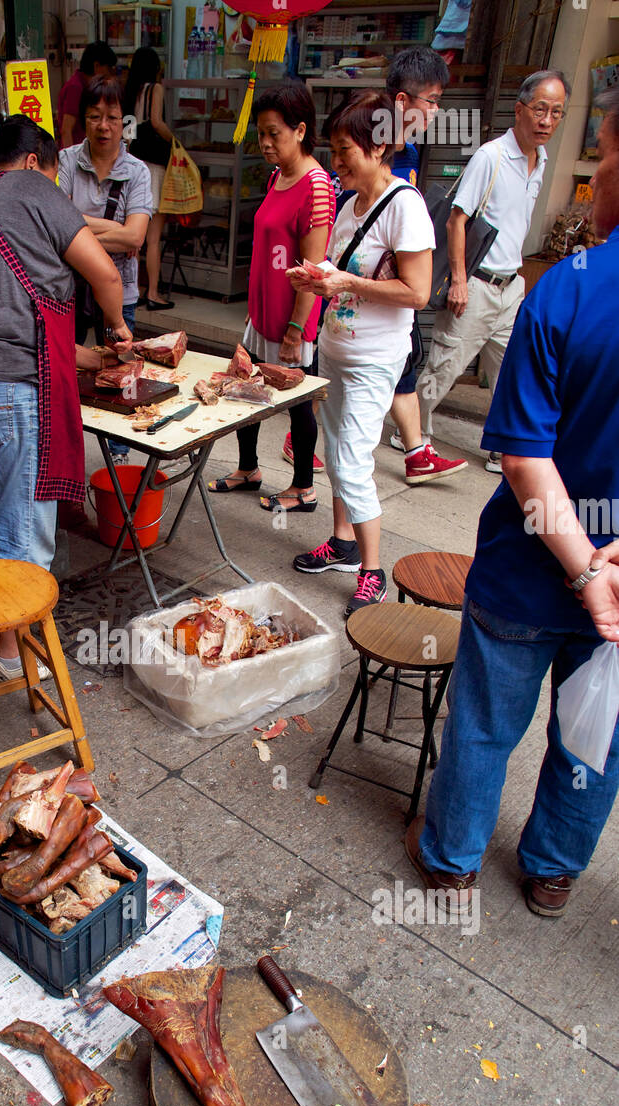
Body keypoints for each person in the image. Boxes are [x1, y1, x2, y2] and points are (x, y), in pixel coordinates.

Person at [405, 85, 619, 921]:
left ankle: (452, 857)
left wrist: (582, 569)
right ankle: (553, 867)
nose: (593, 175)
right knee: (589, 742)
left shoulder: (564, 291)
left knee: (484, 727)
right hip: (611, 594)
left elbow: (526, 460)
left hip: (528, 575)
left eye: (600, 156)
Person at [0, 115, 131, 682]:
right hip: (5, 396)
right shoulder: (31, 189)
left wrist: (84, 357)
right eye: (53, 176)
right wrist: (117, 331)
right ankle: (6, 658)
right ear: (33, 163)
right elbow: (107, 276)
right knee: (22, 536)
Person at [289, 91, 435, 615]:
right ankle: (342, 542)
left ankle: (372, 570)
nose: (336, 161)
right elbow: (346, 277)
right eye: (333, 149)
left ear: (378, 148)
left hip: (376, 358)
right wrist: (317, 278)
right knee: (336, 452)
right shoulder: (350, 207)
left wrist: (346, 279)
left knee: (351, 462)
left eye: (345, 149)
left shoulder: (406, 207)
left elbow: (418, 293)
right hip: (335, 349)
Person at [415, 69, 570, 475]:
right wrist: (461, 282)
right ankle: (413, 432)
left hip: (511, 287)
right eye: (540, 109)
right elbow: (456, 219)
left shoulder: (542, 160)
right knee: (445, 365)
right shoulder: (491, 156)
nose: (547, 120)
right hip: (477, 284)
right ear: (519, 109)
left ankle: (506, 447)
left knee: (513, 371)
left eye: (557, 113)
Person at [207, 82, 335, 512]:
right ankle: (249, 470)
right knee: (246, 389)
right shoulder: (277, 175)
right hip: (260, 315)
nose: (264, 143)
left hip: (292, 322)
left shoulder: (317, 186)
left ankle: (303, 488)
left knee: (298, 406)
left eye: (273, 133)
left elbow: (314, 271)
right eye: (260, 134)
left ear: (300, 130)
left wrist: (297, 330)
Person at [384, 46, 467, 485]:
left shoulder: (410, 152)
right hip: (368, 287)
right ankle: (302, 439)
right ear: (402, 102)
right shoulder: (372, 148)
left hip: (400, 284)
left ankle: (416, 453)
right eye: (431, 101)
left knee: (403, 362)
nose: (436, 111)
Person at [59, 76, 151, 459]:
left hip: (120, 289)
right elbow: (53, 223)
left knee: (121, 367)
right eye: (95, 116)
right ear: (84, 118)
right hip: (67, 288)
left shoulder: (138, 171)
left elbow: (135, 238)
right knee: (67, 364)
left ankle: (119, 453)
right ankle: (68, 445)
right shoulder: (65, 160)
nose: (103, 126)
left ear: (123, 121)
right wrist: (114, 227)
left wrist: (74, 228)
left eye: (112, 117)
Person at [124, 46, 175, 311]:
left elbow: (128, 133)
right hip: (155, 165)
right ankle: (154, 292)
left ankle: (135, 290)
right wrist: (175, 141)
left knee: (136, 236)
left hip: (133, 163)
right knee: (153, 236)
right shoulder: (156, 88)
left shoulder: (130, 89)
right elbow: (156, 121)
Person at [57, 41, 117, 150]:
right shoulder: (75, 88)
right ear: (97, 66)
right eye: (109, 68)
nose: (111, 74)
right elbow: (66, 130)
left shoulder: (86, 86)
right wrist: (71, 162)